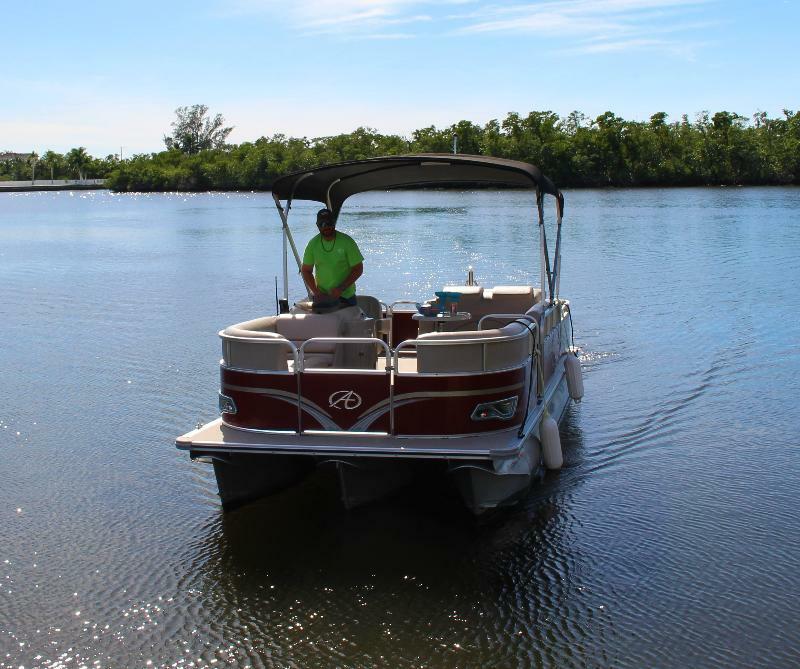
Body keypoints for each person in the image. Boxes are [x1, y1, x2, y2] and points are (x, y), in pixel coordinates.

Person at [301, 208, 364, 307]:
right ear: (317, 226)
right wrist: (316, 292)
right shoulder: (313, 244)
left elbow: (358, 269)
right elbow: (306, 270)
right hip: (322, 297)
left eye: (329, 223)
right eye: (322, 224)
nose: (326, 227)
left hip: (346, 297)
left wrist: (341, 288)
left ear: (334, 223)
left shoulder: (347, 242)